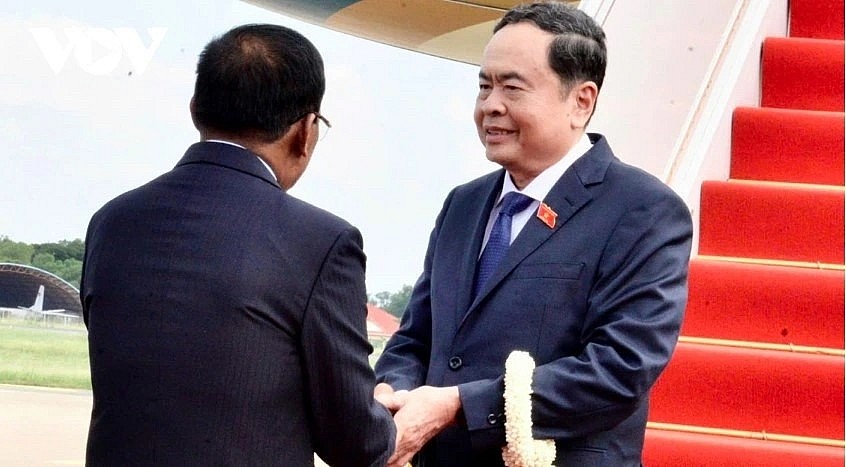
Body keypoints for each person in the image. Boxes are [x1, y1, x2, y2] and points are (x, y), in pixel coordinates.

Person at [373, 3, 693, 466]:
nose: (490, 106)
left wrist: (460, 406)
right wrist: (395, 395)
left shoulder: (644, 211)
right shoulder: (463, 204)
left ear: (581, 101)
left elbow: (620, 368)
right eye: (484, 86)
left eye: (512, 87)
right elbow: (416, 337)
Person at [81, 24, 395, 466]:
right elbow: (355, 442)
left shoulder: (112, 221)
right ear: (305, 132)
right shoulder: (321, 242)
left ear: (195, 110)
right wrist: (385, 415)